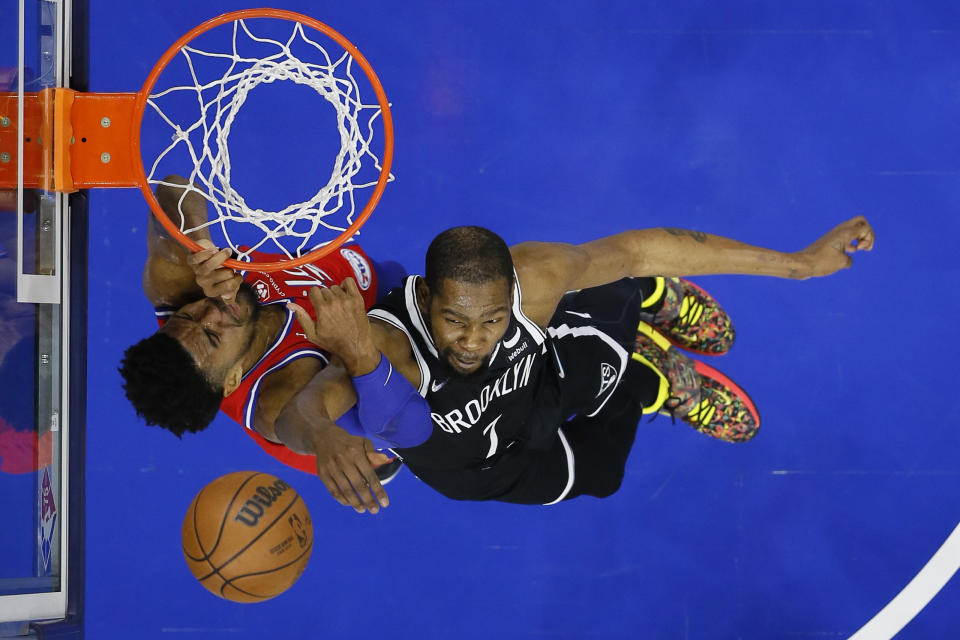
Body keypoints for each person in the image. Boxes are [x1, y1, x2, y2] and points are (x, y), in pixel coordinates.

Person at [282, 217, 875, 513]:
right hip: (473, 463)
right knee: (604, 474)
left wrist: (799, 264)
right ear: (427, 297)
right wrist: (323, 436)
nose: (472, 342)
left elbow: (641, 244)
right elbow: (308, 406)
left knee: (612, 284)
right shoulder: (394, 346)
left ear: (507, 295)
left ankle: (650, 298)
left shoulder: (530, 282)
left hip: (537, 383)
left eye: (491, 320)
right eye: (454, 321)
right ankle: (655, 380)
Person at [118, 176, 406, 491]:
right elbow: (295, 422)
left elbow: (174, 187)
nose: (211, 311)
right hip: (372, 353)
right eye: (214, 336)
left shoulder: (178, 288)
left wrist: (197, 246)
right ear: (232, 379)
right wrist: (324, 439)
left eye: (189, 315)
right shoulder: (275, 397)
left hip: (357, 271)